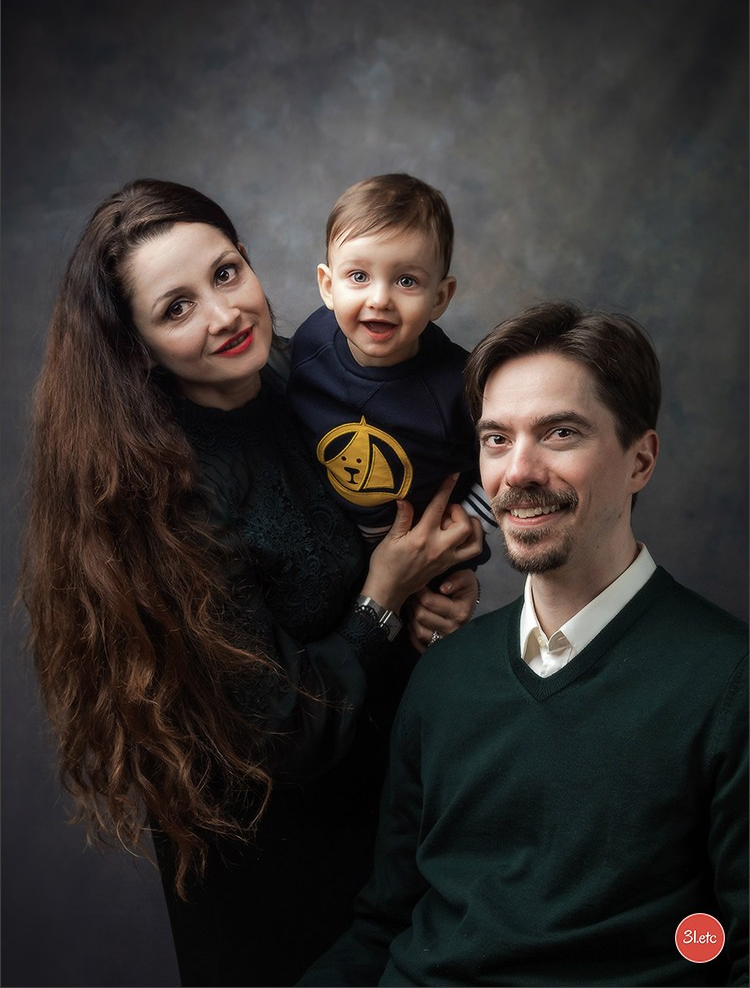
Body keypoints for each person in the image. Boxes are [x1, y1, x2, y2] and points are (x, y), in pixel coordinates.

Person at [19, 179, 484, 987]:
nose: (226, 314)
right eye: (176, 308)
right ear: (135, 346)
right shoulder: (163, 494)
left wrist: (434, 588)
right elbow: (281, 733)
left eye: (227, 273)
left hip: (387, 816)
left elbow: (395, 515)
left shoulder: (308, 378)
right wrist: (383, 594)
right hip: (276, 870)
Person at [300, 301, 749, 987]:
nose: (517, 472)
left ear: (641, 460)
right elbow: (384, 926)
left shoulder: (728, 684)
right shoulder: (443, 675)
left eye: (560, 433)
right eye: (496, 439)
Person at [287, 175, 496, 651]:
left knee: (416, 659)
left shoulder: (459, 387)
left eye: (406, 280)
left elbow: (505, 463)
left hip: (425, 564)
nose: (379, 298)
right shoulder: (309, 346)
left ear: (440, 298)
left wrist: (468, 528)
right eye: (358, 276)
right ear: (327, 285)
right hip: (330, 555)